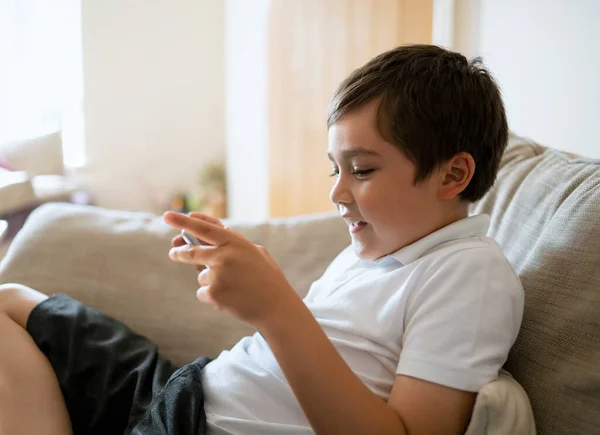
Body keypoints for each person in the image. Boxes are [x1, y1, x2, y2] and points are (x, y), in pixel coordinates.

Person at [0, 44, 524, 435]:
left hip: (201, 426)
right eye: (335, 169)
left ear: (453, 176)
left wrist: (276, 308)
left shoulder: (467, 273)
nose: (338, 193)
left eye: (362, 169)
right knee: (11, 302)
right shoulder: (376, 251)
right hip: (185, 391)